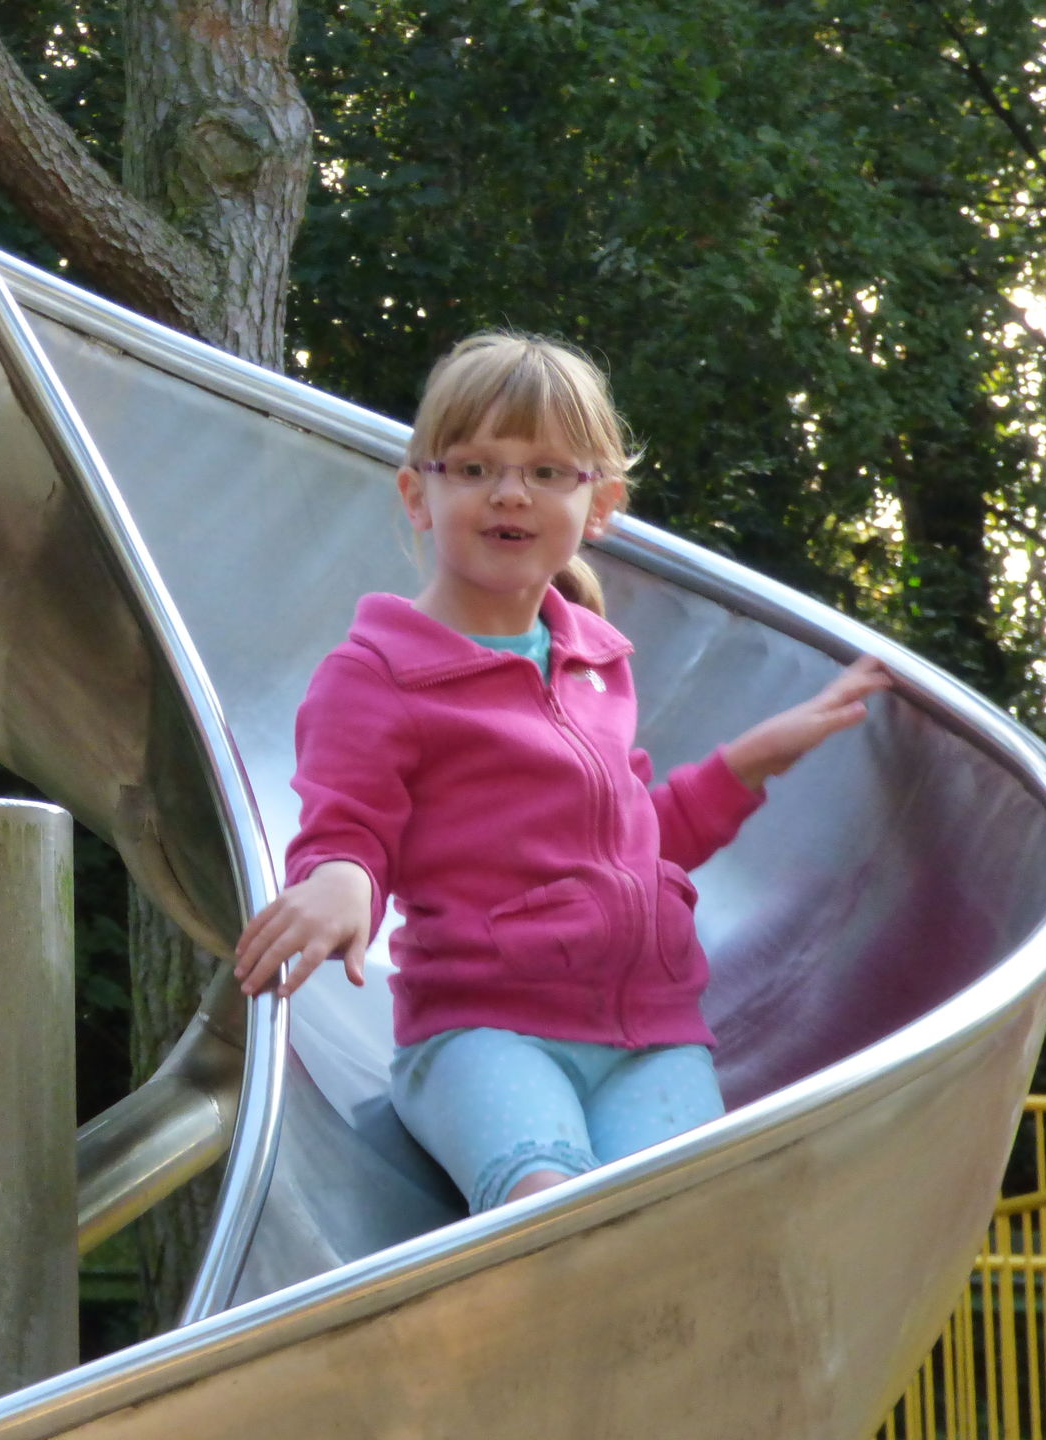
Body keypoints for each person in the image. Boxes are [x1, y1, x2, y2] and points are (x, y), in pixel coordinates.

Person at [232, 331, 889, 1215]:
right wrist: (341, 879)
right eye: (474, 468)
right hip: (485, 1031)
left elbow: (636, 844)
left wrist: (754, 759)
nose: (510, 492)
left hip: (650, 1036)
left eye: (547, 471)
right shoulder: (380, 673)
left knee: (684, 1219)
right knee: (549, 1208)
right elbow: (348, 822)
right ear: (417, 495)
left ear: (600, 503)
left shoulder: (594, 663)